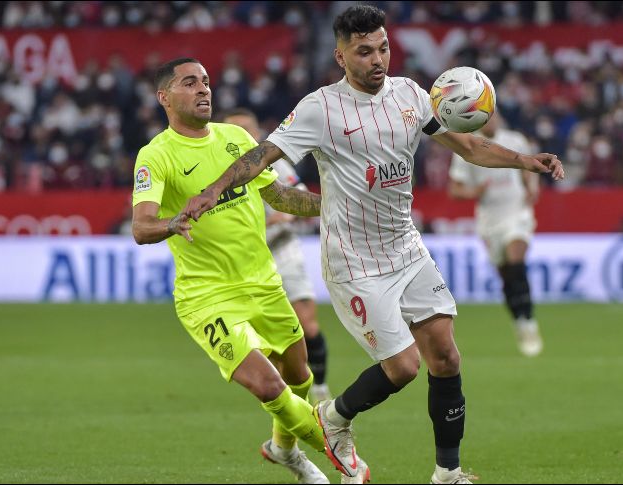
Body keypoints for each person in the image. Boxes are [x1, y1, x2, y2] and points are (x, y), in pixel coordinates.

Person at [180, 6, 564, 484]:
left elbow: (469, 146)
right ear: (341, 56)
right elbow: (263, 156)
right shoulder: (320, 108)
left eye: (383, 47)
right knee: (403, 366)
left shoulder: (410, 95)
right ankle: (333, 417)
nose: (377, 59)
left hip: (405, 246)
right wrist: (213, 190)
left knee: (445, 355)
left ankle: (448, 471)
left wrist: (526, 161)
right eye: (364, 51)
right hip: (353, 259)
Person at [130, 57, 330, 484]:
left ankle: (285, 451)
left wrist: (336, 205)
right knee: (269, 387)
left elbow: (279, 197)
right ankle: (341, 448)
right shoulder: (156, 155)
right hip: (208, 296)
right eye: (190, 83)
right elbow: (141, 227)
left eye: (205, 81)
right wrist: (171, 224)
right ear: (164, 97)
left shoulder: (236, 137)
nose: (204, 89)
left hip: (264, 283)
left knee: (299, 376)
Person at [219, 107, 332, 403]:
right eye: (235, 130)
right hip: (245, 261)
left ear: (257, 132)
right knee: (268, 340)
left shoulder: (276, 166)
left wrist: (288, 218)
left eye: (247, 129)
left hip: (283, 250)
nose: (243, 135)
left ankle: (319, 386)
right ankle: (288, 396)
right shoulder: (216, 168)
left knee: (306, 324)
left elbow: (298, 199)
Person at [448, 113, 544, 357]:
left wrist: (532, 188)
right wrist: (474, 192)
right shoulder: (467, 146)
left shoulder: (515, 139)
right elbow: (455, 189)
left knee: (516, 257)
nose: (493, 120)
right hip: (490, 219)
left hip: (517, 211)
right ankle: (519, 321)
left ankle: (530, 321)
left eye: (495, 115)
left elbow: (527, 169)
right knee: (507, 275)